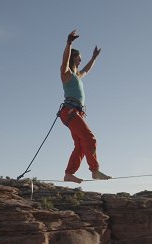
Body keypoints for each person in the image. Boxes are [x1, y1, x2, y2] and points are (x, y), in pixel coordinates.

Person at [59, 29, 111, 183]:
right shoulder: (66, 73)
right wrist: (69, 43)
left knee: (81, 145)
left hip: (76, 113)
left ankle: (69, 174)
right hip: (70, 111)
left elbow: (86, 70)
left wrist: (94, 58)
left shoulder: (77, 76)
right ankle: (95, 170)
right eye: (79, 58)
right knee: (90, 139)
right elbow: (64, 61)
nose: (80, 61)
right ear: (73, 58)